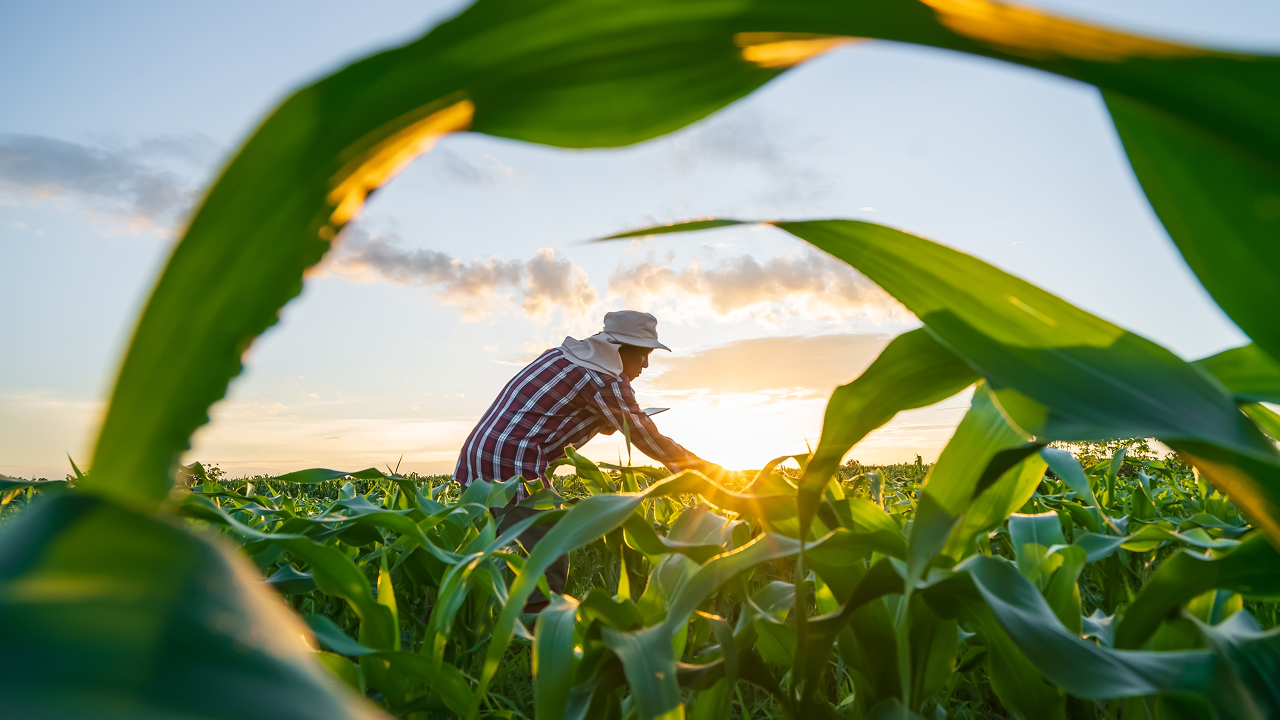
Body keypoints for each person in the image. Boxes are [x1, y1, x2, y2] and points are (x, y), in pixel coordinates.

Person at [453, 310, 715, 612]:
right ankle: (538, 636)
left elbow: (554, 413)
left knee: (474, 549)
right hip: (512, 464)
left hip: (480, 454)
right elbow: (648, 439)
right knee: (548, 550)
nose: (645, 364)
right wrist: (704, 473)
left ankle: (441, 619)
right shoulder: (606, 379)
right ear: (619, 349)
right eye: (642, 355)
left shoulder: (565, 357)